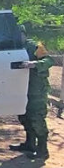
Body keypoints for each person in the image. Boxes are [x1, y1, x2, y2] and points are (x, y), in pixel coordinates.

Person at [9, 26, 54, 159]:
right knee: (24, 117)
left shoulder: (35, 46)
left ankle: (42, 150)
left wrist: (34, 64)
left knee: (37, 119)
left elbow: (49, 60)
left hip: (36, 90)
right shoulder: (14, 48)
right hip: (22, 89)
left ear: (24, 34)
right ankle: (30, 144)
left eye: (19, 34)